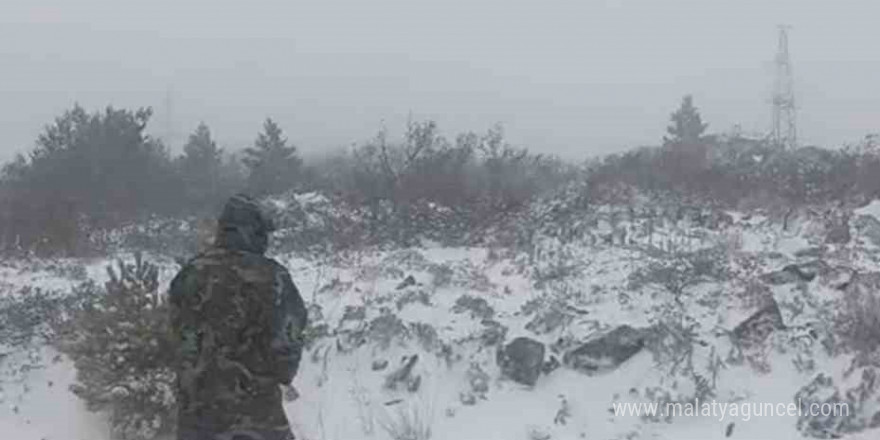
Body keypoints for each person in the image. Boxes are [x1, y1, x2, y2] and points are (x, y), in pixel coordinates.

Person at [169, 194, 308, 440]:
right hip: (256, 414)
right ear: (252, 232)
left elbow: (178, 339)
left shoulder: (190, 274)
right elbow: (287, 345)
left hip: (197, 415)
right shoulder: (273, 277)